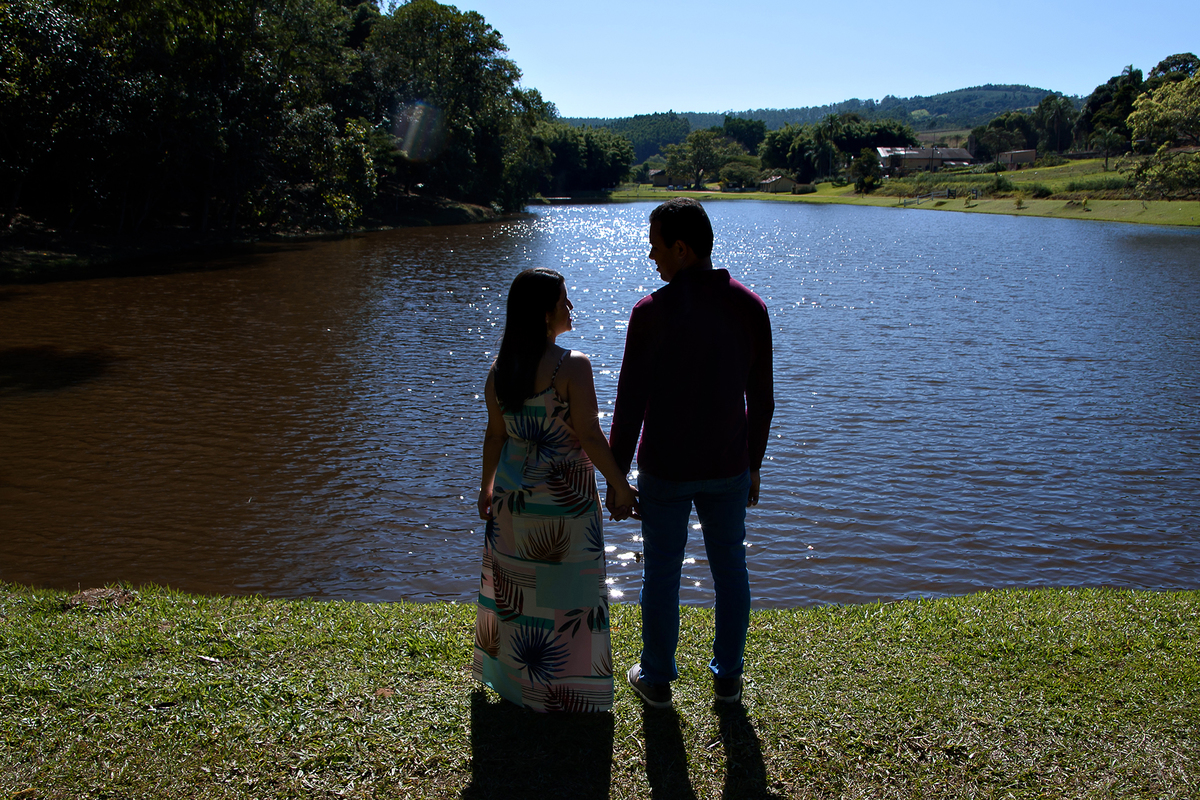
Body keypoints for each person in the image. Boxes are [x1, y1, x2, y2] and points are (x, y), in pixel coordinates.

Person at [607, 198, 774, 708]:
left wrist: (616, 480)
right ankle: (728, 679)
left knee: (661, 570)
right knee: (730, 570)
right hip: (728, 466)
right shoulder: (751, 306)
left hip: (666, 469)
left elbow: (630, 404)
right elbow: (762, 401)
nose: (652, 257)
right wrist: (753, 466)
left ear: (681, 248)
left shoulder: (651, 313)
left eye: (657, 247)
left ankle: (656, 679)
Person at [473, 267, 638, 712]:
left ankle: (519, 688)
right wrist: (621, 486)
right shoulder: (572, 366)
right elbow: (588, 433)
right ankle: (569, 695)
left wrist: (486, 488)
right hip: (565, 505)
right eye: (564, 300)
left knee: (519, 595)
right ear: (545, 313)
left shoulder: (499, 371)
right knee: (572, 601)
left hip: (512, 502)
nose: (571, 308)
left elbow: (495, 436)